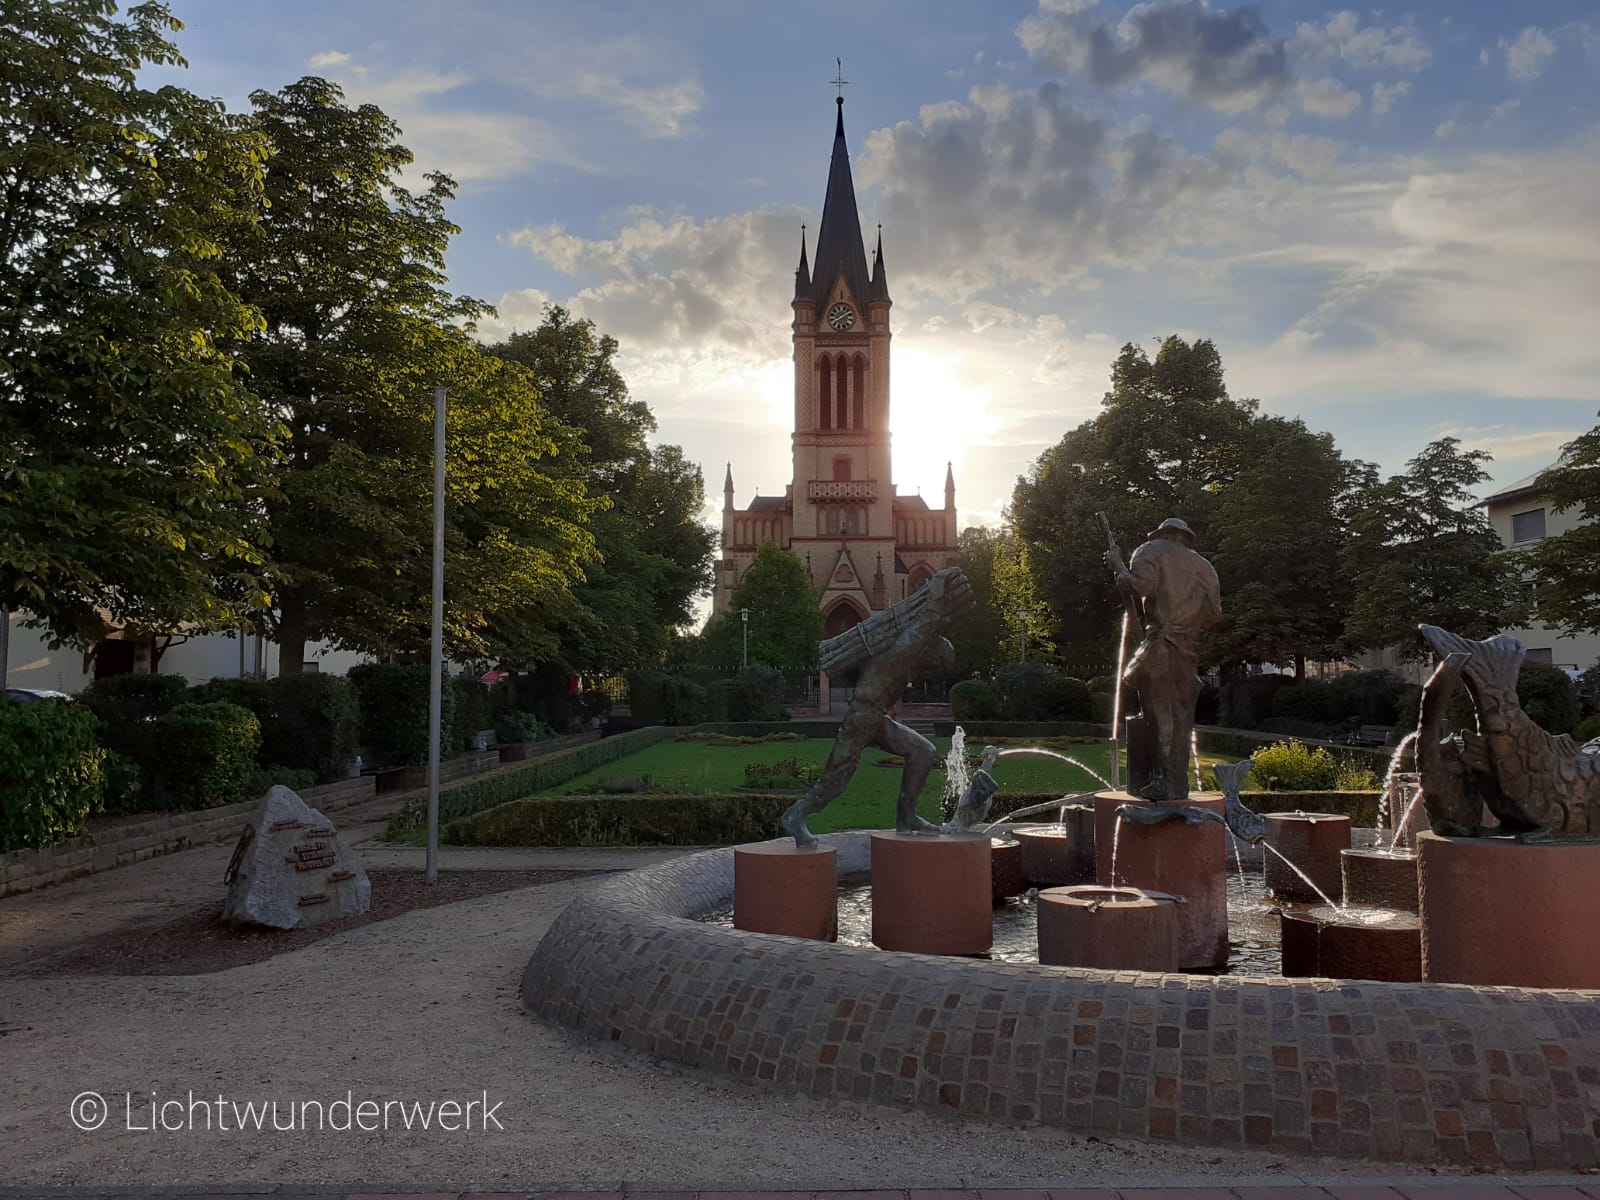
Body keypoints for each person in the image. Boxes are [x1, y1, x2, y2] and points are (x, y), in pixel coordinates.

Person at [782, 567, 974, 848]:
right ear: (931, 652)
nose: (932, 670)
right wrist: (937, 591)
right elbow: (924, 624)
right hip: (861, 717)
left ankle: (906, 816)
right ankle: (795, 816)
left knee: (923, 751)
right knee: (836, 780)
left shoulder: (910, 660)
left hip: (876, 719)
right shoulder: (904, 652)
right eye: (936, 663)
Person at [1104, 517, 1221, 801]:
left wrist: (1118, 565)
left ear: (1162, 535)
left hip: (1160, 646)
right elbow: (1214, 614)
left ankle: (1164, 784)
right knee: (1182, 718)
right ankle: (1177, 785)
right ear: (1185, 537)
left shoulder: (1150, 550)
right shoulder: (1204, 566)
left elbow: (1140, 586)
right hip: (1188, 649)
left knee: (1159, 717)